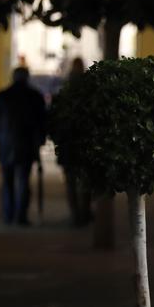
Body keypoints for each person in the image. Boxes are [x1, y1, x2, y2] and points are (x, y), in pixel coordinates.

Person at [0, 67, 47, 226]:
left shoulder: (2, 96)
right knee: (23, 180)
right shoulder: (35, 97)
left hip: (6, 145)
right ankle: (21, 216)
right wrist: (40, 141)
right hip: (26, 146)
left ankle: (8, 215)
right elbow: (42, 123)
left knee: (7, 182)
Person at [59, 58, 94, 227]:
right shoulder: (89, 90)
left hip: (68, 143)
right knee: (86, 181)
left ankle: (75, 214)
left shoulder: (65, 90)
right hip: (86, 143)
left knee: (71, 181)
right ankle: (84, 212)